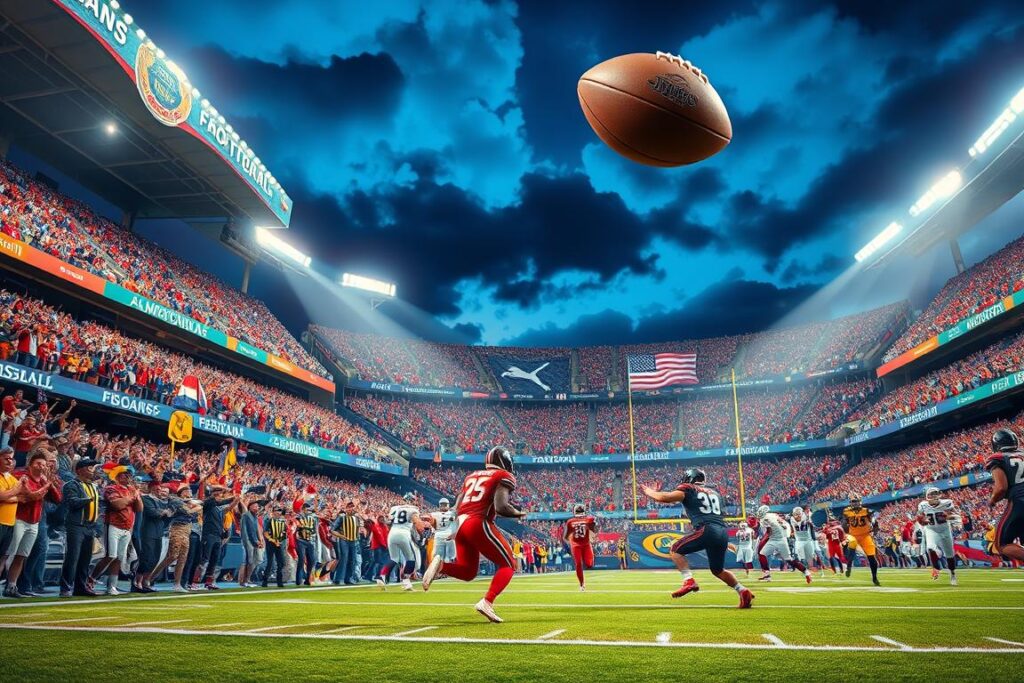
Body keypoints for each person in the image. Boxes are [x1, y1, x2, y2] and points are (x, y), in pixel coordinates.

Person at [422, 446, 526, 623]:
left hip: (460, 524)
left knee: (469, 572)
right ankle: (487, 601)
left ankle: (441, 566)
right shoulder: (504, 476)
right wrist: (519, 513)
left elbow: (456, 507)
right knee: (509, 563)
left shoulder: (471, 476)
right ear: (505, 461)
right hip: (477, 522)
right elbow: (501, 507)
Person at [641, 468, 753, 608]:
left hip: (707, 529)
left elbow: (665, 498)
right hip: (722, 531)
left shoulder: (689, 489)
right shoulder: (715, 493)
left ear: (689, 479)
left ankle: (688, 580)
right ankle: (742, 590)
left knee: (675, 550)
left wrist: (649, 492)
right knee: (717, 570)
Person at [4, 450, 61, 598]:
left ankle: (12, 586)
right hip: (18, 519)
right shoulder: (21, 476)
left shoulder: (43, 479)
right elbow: (30, 496)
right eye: (38, 463)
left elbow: (57, 498)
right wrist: (47, 485)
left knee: (22, 555)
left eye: (43, 464)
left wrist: (50, 484)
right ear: (30, 464)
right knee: (7, 554)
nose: (41, 467)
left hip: (34, 521)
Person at [90, 465, 141, 596]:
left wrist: (136, 494)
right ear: (117, 476)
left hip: (127, 526)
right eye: (124, 474)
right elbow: (117, 505)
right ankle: (91, 579)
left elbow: (139, 508)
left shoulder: (131, 489)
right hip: (113, 524)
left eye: (129, 475)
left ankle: (112, 585)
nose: (128, 477)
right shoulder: (111, 488)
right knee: (110, 555)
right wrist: (131, 497)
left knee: (120, 557)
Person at [60, 458, 100, 597]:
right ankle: (66, 587)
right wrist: (88, 499)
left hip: (90, 526)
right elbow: (72, 502)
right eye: (90, 467)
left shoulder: (94, 486)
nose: (93, 470)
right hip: (76, 525)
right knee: (73, 557)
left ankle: (81, 587)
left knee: (85, 559)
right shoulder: (71, 485)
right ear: (80, 470)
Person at [151, 482, 200, 592]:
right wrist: (195, 507)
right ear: (181, 493)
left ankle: (177, 584)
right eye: (187, 491)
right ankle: (151, 578)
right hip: (176, 529)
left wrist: (194, 507)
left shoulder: (188, 502)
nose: (190, 493)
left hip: (187, 530)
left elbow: (195, 514)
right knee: (172, 555)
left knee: (183, 558)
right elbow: (188, 512)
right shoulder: (176, 500)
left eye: (190, 491)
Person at [986, 428, 1024, 563]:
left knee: (1001, 545)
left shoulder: (998, 458)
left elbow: (1001, 488)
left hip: (1019, 501)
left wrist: (992, 500)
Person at [192, 485, 237, 590]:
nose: (219, 495)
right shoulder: (208, 503)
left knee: (214, 560)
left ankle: (208, 582)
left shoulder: (219, 508)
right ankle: (194, 581)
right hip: (208, 535)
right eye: (217, 493)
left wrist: (236, 500)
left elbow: (228, 507)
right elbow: (218, 502)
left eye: (219, 493)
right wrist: (225, 494)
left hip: (217, 536)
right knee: (204, 560)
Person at [378, 493, 424, 591]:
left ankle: (381, 576)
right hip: (404, 534)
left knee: (394, 558)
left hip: (392, 534)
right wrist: (421, 535)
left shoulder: (394, 508)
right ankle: (406, 582)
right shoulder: (413, 509)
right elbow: (418, 524)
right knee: (411, 559)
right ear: (412, 500)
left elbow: (388, 522)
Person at [755, 505, 812, 583]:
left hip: (775, 538)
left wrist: (762, 540)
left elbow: (769, 532)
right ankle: (806, 572)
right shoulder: (773, 515)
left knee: (787, 559)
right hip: (782, 537)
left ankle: (806, 571)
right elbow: (784, 524)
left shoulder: (764, 519)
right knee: (764, 554)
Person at [917, 487, 959, 584]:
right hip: (931, 529)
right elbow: (920, 518)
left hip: (945, 529)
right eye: (932, 494)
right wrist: (923, 521)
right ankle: (936, 566)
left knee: (950, 554)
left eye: (936, 493)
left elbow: (954, 514)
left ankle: (952, 574)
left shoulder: (947, 503)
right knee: (930, 548)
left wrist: (949, 516)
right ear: (928, 496)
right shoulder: (923, 505)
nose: (934, 496)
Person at [842, 494, 880, 585]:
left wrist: (874, 529)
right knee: (850, 554)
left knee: (872, 557)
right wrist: (845, 532)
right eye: (853, 502)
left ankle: (874, 578)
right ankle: (849, 566)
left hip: (865, 536)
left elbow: (875, 520)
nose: (855, 504)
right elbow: (845, 523)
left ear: (860, 502)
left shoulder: (866, 511)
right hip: (853, 536)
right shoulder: (846, 511)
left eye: (856, 502)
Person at [0, 447, 22, 576]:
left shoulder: (12, 478)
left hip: (9, 523)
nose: (9, 462)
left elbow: (24, 496)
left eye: (11, 458)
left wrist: (9, 496)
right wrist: (14, 494)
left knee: (3, 556)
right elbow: (1, 496)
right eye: (6, 458)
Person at [564, 503, 596, 591]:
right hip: (576, 545)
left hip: (585, 544)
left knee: (589, 563)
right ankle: (582, 584)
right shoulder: (587, 519)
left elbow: (567, 535)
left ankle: (582, 583)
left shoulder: (573, 521)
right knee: (578, 564)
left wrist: (567, 539)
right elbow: (567, 534)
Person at [331, 500, 360, 585]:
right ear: (346, 508)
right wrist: (341, 536)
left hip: (353, 541)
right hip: (344, 540)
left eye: (352, 507)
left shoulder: (356, 518)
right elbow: (332, 530)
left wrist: (357, 538)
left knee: (352, 560)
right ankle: (337, 578)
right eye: (349, 507)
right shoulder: (341, 517)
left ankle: (348, 578)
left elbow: (357, 529)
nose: (351, 509)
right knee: (344, 559)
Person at [239, 499, 263, 588]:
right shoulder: (245, 515)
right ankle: (243, 581)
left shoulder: (255, 517)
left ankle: (247, 579)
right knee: (247, 561)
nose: (257, 508)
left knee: (253, 561)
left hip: (254, 541)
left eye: (258, 506)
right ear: (250, 506)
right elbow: (244, 530)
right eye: (255, 506)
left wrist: (259, 540)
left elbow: (256, 530)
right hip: (248, 541)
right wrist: (246, 542)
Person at [262, 505, 287, 588]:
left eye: (279, 510)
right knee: (269, 562)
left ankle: (279, 581)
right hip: (271, 544)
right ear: (273, 512)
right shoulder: (269, 520)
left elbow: (284, 533)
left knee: (281, 563)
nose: (278, 512)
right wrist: (273, 540)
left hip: (279, 543)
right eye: (276, 510)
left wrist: (281, 542)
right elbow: (265, 533)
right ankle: (264, 581)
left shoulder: (283, 521)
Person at [295, 501, 318, 586]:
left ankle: (308, 579)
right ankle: (298, 580)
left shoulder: (313, 518)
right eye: (307, 510)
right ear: (303, 509)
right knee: (301, 560)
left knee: (311, 560)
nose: (308, 511)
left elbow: (315, 529)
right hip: (301, 540)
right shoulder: (299, 516)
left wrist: (313, 537)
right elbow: (297, 525)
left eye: (309, 510)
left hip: (310, 541)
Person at [790, 507, 818, 577]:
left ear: (802, 513)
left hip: (808, 540)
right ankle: (805, 571)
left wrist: (811, 524)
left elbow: (812, 527)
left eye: (799, 514)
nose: (798, 516)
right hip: (799, 540)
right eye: (796, 514)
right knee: (800, 557)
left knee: (811, 555)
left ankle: (812, 568)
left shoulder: (806, 518)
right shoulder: (791, 519)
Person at [429, 498, 457, 564]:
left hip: (438, 535)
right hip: (449, 536)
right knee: (450, 557)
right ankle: (450, 564)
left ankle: (439, 570)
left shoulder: (433, 514)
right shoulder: (453, 513)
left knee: (438, 557)